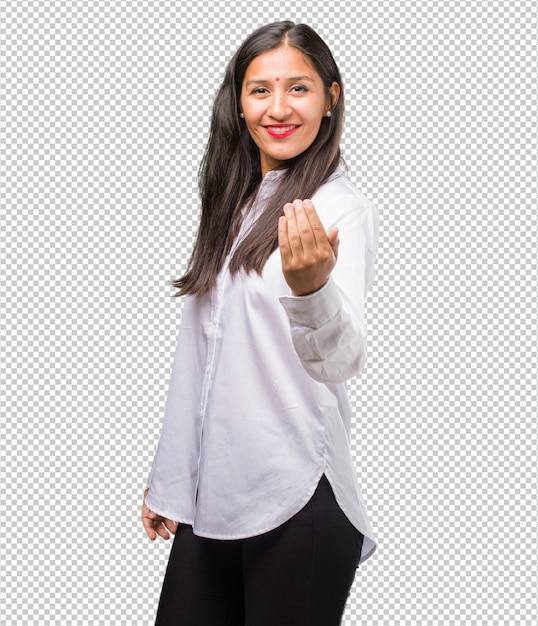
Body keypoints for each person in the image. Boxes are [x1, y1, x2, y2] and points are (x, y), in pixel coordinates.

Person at [141, 20, 379, 626]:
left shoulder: (335, 207)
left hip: (297, 497)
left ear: (331, 97)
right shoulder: (234, 202)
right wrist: (171, 479)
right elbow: (201, 358)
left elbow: (342, 358)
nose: (278, 108)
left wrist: (313, 290)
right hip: (215, 498)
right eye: (259, 89)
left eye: (298, 89)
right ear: (238, 102)